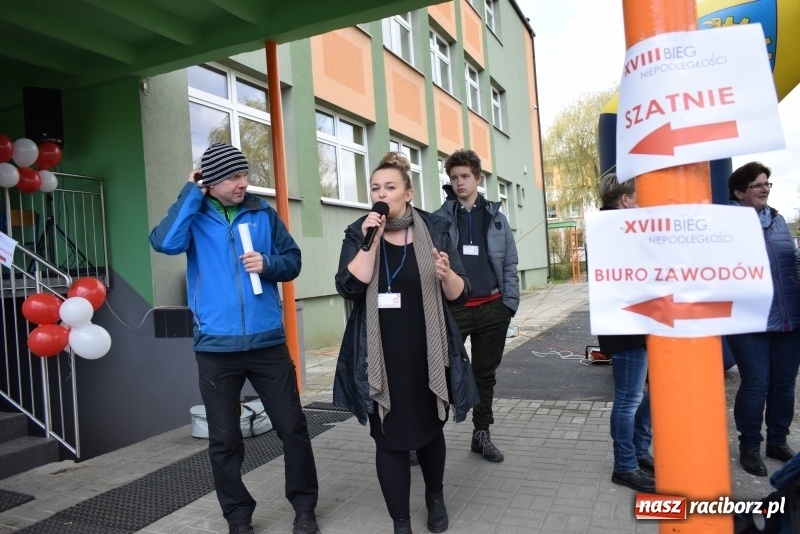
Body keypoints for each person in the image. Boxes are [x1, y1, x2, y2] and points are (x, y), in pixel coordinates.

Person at [149, 143, 321, 534]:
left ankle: (304, 508)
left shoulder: (262, 213)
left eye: (244, 174)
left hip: (267, 343)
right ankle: (238, 517)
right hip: (216, 347)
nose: (242, 183)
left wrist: (269, 264)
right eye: (232, 177)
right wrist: (190, 193)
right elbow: (164, 243)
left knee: (292, 427)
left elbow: (292, 261)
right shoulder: (194, 215)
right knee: (225, 440)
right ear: (209, 182)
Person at [333, 152, 478, 534]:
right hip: (379, 356)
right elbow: (348, 287)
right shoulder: (359, 232)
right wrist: (371, 241)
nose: (381, 194)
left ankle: (435, 497)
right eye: (375, 188)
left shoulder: (436, 228)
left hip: (428, 352)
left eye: (390, 187)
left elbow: (460, 294)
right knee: (389, 439)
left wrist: (447, 275)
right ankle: (400, 521)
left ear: (408, 193)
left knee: (429, 430)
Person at [434, 148, 519, 462]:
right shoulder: (440, 219)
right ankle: (426, 436)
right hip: (454, 310)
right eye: (454, 177)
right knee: (439, 372)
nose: (459, 182)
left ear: (478, 178)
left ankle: (481, 434)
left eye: (465, 176)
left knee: (485, 376)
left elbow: (509, 263)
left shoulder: (496, 218)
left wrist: (509, 305)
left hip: (493, 309)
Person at [726, 161, 800, 477]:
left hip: (788, 317)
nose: (764, 189)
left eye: (767, 184)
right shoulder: (725, 226)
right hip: (748, 320)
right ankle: (749, 447)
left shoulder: (779, 220)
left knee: (784, 384)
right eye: (757, 184)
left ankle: (778, 441)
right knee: (756, 384)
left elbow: (792, 263)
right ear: (739, 192)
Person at [596, 173, 655, 493]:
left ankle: (638, 452)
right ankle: (625, 465)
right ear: (625, 199)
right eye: (638, 196)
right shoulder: (614, 229)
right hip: (626, 326)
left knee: (650, 394)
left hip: (636, 323)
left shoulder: (615, 227)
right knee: (628, 399)